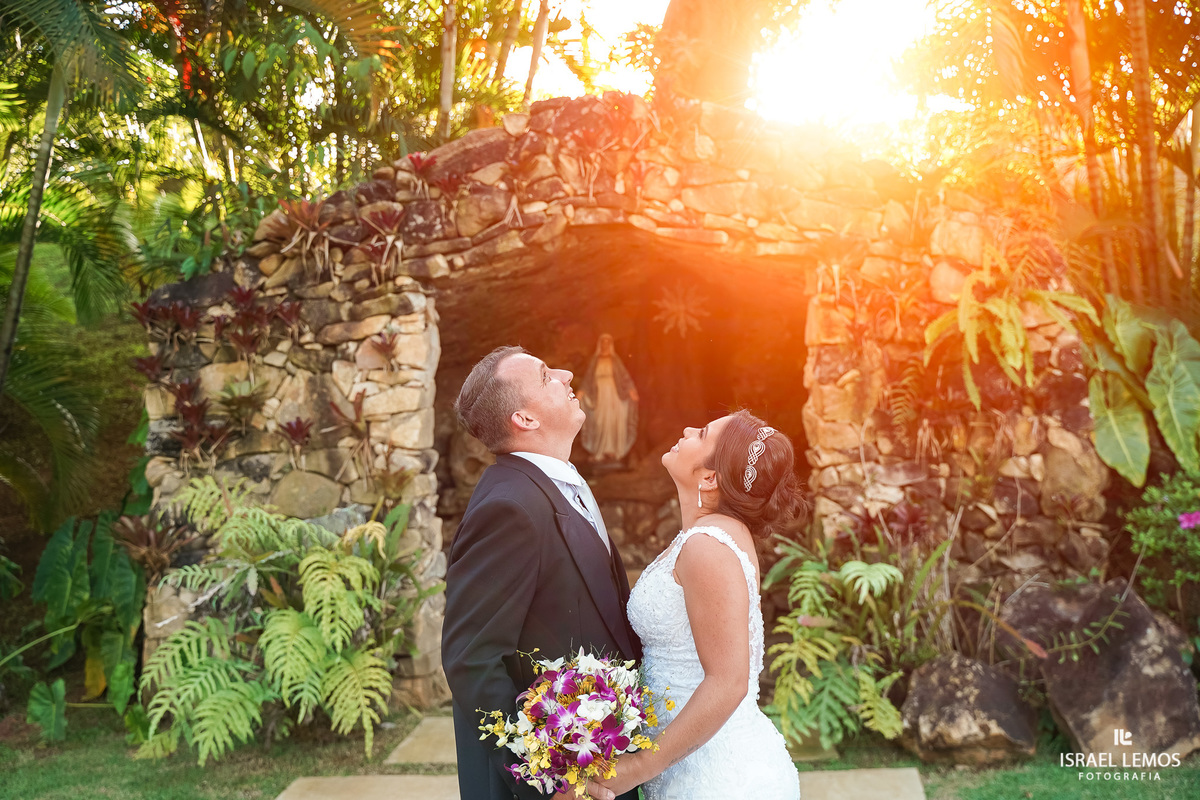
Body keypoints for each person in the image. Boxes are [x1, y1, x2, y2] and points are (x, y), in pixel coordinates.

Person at [442, 345, 642, 800]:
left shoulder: (554, 482)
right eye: (548, 375)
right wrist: (547, 778)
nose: (569, 373)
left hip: (598, 757)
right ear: (525, 419)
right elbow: (471, 658)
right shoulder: (509, 507)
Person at [587, 409, 804, 800]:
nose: (686, 429)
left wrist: (638, 767)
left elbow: (729, 681)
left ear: (709, 477)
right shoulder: (707, 535)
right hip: (688, 764)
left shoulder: (709, 546)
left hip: (718, 779)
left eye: (701, 433)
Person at [578, 333, 639, 464]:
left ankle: (613, 450)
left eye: (607, 342)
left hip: (614, 394)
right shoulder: (595, 361)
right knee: (599, 421)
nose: (605, 345)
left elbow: (624, 377)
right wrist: (582, 391)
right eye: (603, 342)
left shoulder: (615, 360)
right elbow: (588, 379)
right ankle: (600, 450)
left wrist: (631, 390)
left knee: (613, 420)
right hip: (599, 395)